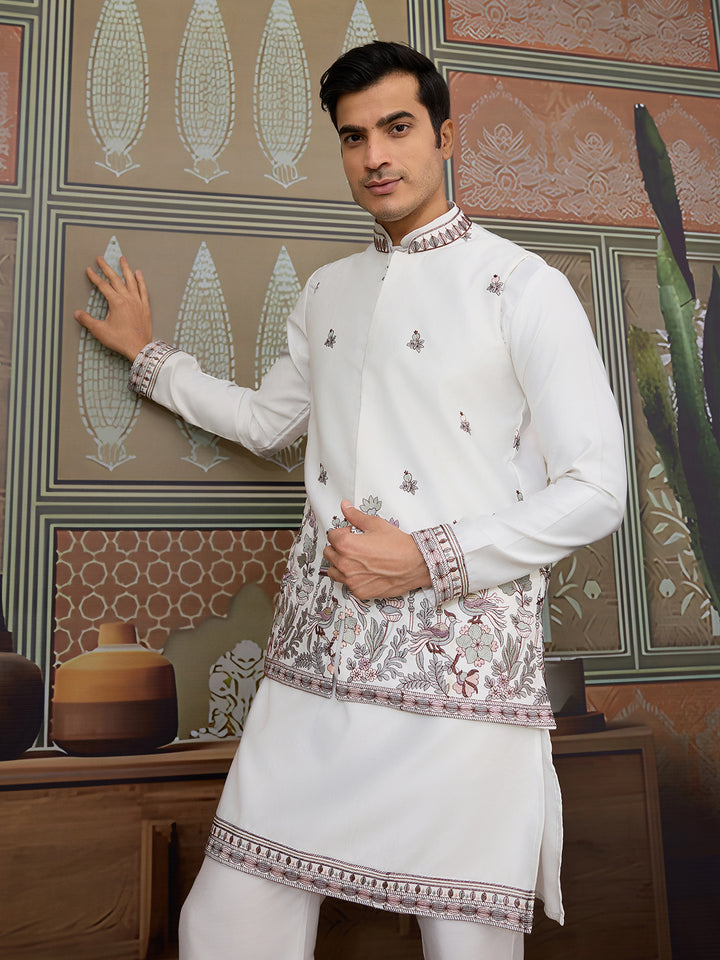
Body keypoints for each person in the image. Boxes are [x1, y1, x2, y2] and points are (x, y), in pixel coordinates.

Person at [75, 41, 626, 960]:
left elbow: (598, 486)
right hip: (316, 673)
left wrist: (427, 557)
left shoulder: (525, 289)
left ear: (445, 136)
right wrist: (149, 358)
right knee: (224, 925)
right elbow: (263, 421)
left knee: (465, 947)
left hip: (459, 682)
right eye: (354, 136)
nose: (376, 155)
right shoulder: (328, 291)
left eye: (398, 128)